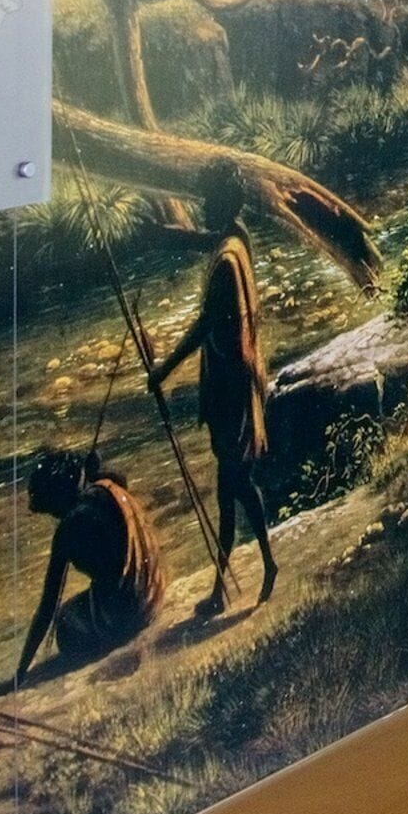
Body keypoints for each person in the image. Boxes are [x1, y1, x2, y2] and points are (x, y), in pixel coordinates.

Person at [147, 233, 278, 613]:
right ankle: (238, 578)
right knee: (235, 486)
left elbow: (206, 325)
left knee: (232, 486)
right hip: (237, 385)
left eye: (210, 199)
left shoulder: (225, 261)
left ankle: (235, 582)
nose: (204, 208)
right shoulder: (238, 243)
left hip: (230, 390)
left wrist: (164, 371)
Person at [6, 446, 162, 690]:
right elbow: (117, 479)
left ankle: (108, 643)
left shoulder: (69, 528)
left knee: (66, 623)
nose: (53, 516)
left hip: (130, 612)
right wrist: (93, 472)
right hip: (153, 594)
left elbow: (48, 606)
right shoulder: (108, 485)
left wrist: (20, 673)